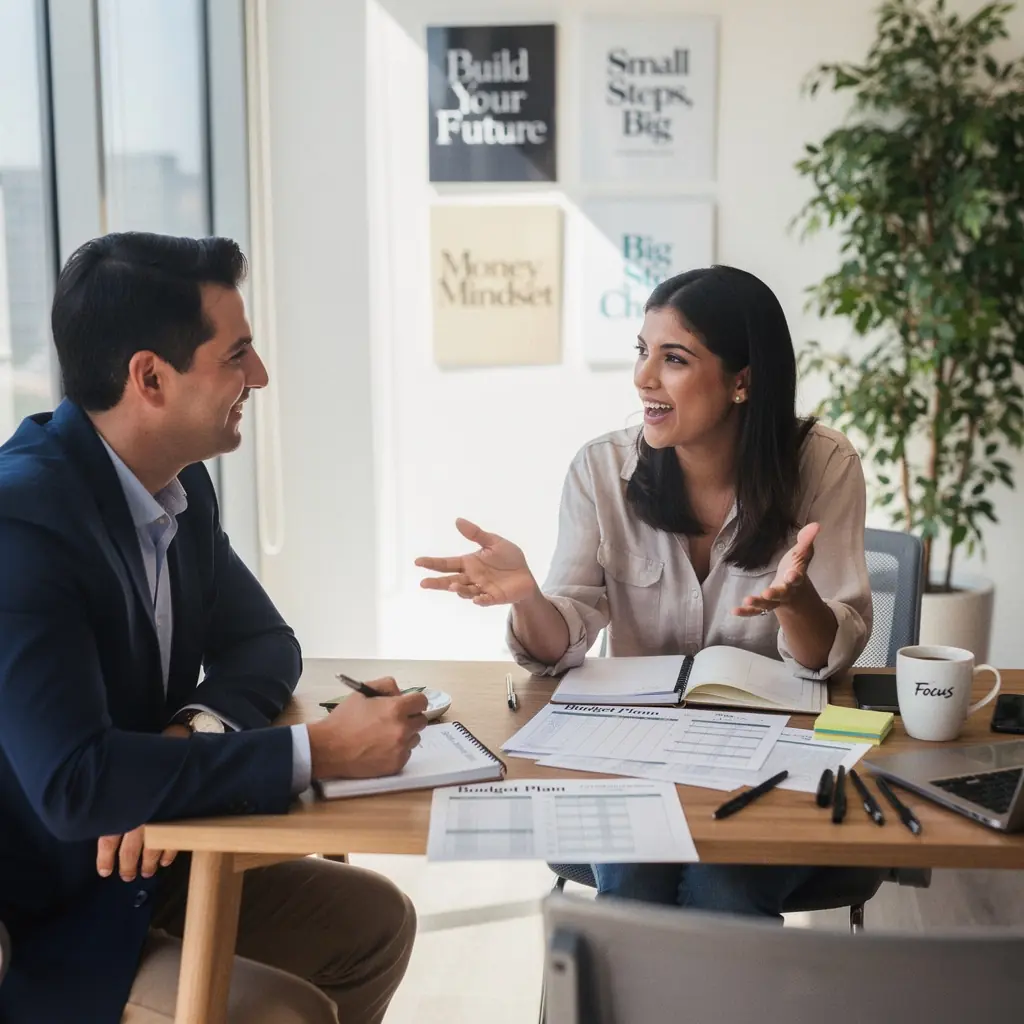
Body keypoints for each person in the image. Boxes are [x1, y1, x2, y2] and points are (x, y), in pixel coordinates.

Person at [0, 233, 427, 1023]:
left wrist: (191, 730)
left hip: (143, 869)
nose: (258, 377)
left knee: (375, 924)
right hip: (45, 926)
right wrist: (319, 750)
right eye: (237, 355)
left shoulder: (175, 486)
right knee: (283, 1013)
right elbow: (74, 785)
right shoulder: (21, 520)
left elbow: (267, 644)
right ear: (150, 378)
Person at [416, 265, 873, 918]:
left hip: (772, 764)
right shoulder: (600, 470)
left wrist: (798, 602)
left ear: (742, 381)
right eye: (642, 352)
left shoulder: (824, 466)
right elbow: (558, 645)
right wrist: (528, 599)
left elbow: (827, 656)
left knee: (726, 890)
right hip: (629, 758)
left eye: (674, 358)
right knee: (633, 888)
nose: (643, 377)